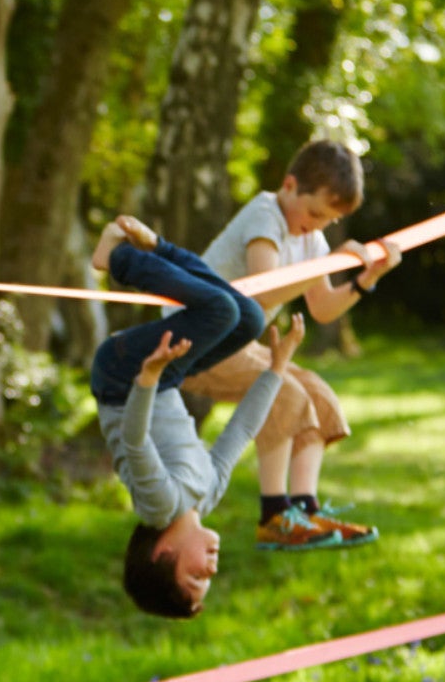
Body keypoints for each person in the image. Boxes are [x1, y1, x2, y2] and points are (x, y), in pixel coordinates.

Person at [186, 140, 400, 552]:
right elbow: (263, 290)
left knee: (318, 396)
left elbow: (322, 308)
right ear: (289, 185)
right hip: (196, 341)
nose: (318, 226)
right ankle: (275, 516)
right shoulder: (265, 215)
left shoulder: (310, 238)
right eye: (316, 213)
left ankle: (305, 509)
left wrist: (364, 279)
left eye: (328, 221)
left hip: (234, 343)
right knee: (284, 394)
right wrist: (327, 263)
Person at [91, 215, 306, 619]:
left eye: (195, 578)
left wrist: (146, 378)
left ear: (162, 553)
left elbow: (134, 440)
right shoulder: (206, 493)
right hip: (161, 380)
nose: (211, 569)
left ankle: (116, 258)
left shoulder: (159, 505)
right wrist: (276, 369)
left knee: (220, 312)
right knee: (248, 319)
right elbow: (241, 430)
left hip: (123, 377)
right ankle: (155, 246)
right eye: (208, 580)